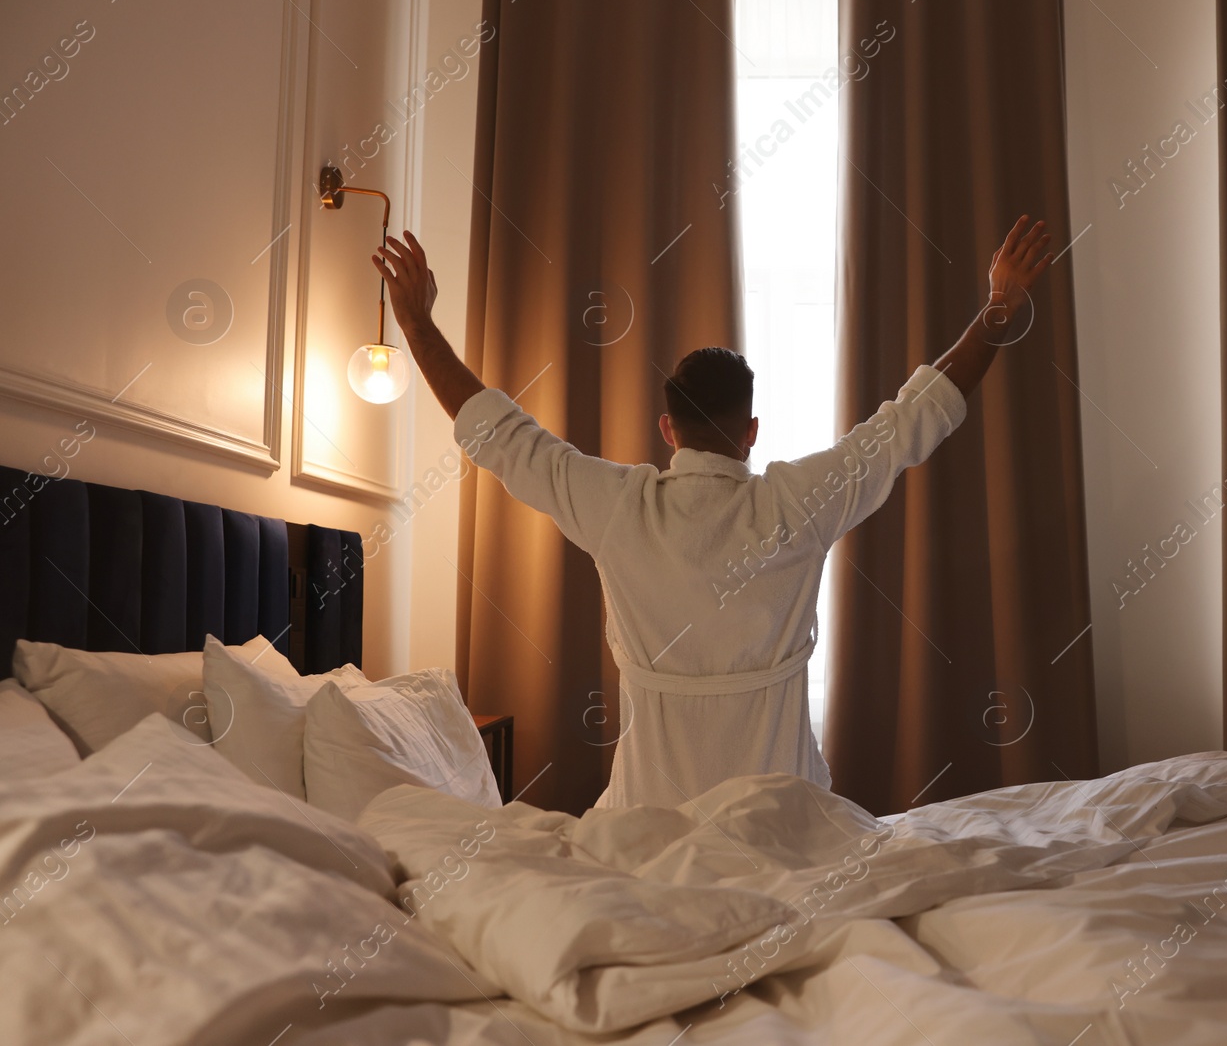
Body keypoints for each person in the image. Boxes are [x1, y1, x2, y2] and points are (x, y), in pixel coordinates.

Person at [372, 216, 1052, 809]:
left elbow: (501, 435)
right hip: (790, 830)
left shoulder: (616, 508)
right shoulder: (799, 502)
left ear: (667, 429)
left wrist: (416, 324)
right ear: (750, 430)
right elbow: (916, 416)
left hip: (651, 831)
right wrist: (998, 303)